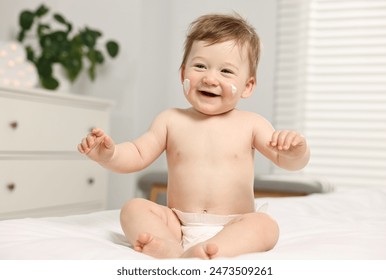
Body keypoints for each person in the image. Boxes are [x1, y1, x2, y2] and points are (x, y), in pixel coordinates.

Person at [78, 13, 310, 259]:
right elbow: (136, 154)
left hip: (233, 224)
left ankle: (215, 249)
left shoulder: (252, 124)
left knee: (265, 226)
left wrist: (297, 152)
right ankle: (170, 247)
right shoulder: (170, 120)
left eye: (226, 71)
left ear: (247, 86)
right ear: (182, 74)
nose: (210, 78)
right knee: (132, 208)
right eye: (200, 66)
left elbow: (287, 162)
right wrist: (109, 154)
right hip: (177, 223)